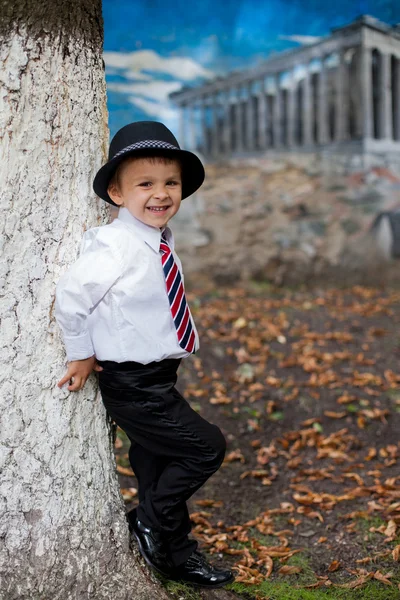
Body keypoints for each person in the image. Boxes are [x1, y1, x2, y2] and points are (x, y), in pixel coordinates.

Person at [54, 121, 234, 588]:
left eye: (170, 183)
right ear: (116, 192)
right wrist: (80, 354)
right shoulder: (115, 244)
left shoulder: (158, 239)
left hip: (158, 377)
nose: (161, 194)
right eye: (145, 184)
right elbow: (74, 296)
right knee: (204, 448)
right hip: (134, 385)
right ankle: (149, 522)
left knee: (155, 467)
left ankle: (174, 553)